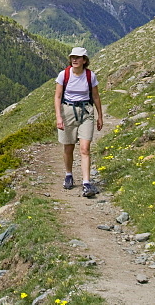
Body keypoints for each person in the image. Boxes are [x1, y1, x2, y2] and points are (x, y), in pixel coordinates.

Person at [54, 46, 104, 197]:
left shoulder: (90, 76)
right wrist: (59, 117)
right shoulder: (64, 75)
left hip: (86, 112)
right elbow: (57, 96)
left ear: (84, 60)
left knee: (85, 148)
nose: (75, 59)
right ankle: (69, 174)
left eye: (78, 57)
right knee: (68, 147)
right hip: (68, 111)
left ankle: (86, 183)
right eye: (72, 57)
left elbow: (95, 96)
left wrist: (100, 116)